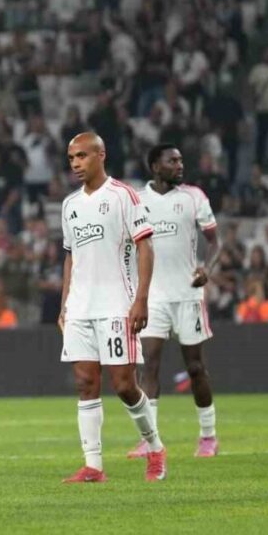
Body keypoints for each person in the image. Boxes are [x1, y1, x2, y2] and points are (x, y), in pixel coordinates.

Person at [59, 132, 165, 483]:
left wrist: (142, 299)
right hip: (80, 308)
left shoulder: (124, 196)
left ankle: (154, 446)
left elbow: (145, 248)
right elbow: (70, 256)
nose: (75, 163)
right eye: (72, 157)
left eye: (82, 156)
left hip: (116, 305)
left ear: (100, 155)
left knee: (123, 385)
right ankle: (94, 466)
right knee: (85, 383)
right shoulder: (69, 205)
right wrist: (64, 306)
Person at [133, 144, 221, 460]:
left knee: (195, 367)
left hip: (187, 295)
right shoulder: (136, 201)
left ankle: (208, 436)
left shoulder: (193, 197)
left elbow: (214, 241)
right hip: (153, 296)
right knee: (150, 366)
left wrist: (206, 269)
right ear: (155, 166)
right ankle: (150, 440)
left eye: (181, 159)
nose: (179, 165)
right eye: (172, 160)